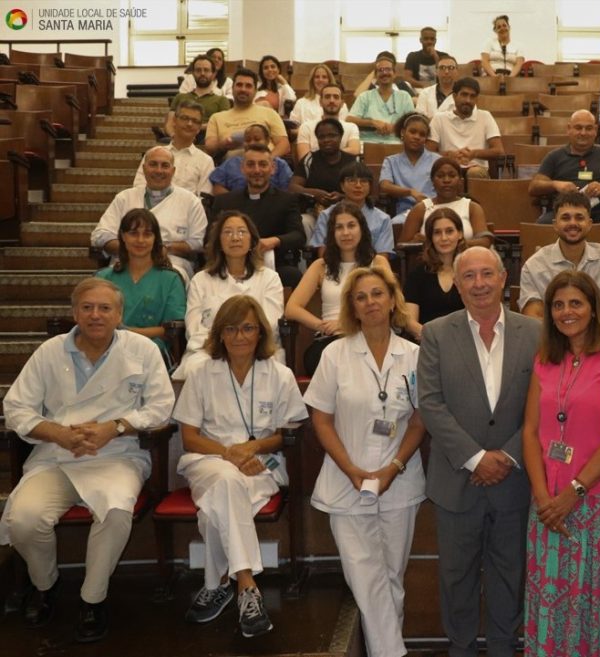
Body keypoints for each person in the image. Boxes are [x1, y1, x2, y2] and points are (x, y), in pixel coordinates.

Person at [1, 278, 174, 642]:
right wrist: (56, 433)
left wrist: (117, 426)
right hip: (57, 456)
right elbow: (16, 408)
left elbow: (161, 407)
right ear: (74, 312)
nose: (96, 315)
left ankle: (92, 599)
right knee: (23, 520)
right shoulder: (50, 352)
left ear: (119, 314)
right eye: (88, 307)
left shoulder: (142, 350)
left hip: (116, 455)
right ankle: (45, 585)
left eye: (105, 308)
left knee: (115, 512)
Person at [417, 246, 541, 657]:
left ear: (504, 279)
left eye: (487, 274)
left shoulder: (536, 333)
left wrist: (506, 456)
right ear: (456, 283)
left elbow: (546, 403)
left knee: (510, 574)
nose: (479, 284)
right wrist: (476, 458)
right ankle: (461, 648)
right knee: (456, 578)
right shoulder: (435, 333)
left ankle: (505, 647)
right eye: (469, 276)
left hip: (515, 479)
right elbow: (430, 404)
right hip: (457, 480)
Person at [304, 264, 426, 657]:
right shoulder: (334, 354)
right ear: (352, 308)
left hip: (399, 480)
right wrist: (352, 469)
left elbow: (420, 419)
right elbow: (321, 419)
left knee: (391, 578)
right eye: (361, 297)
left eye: (377, 294)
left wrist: (394, 467)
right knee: (367, 578)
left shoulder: (414, 355)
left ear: (392, 301)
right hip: (346, 480)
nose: (370, 302)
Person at [522, 269, 600, 656]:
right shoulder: (544, 360)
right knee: (553, 600)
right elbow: (530, 431)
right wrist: (543, 497)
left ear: (593, 308)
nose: (566, 312)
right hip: (550, 505)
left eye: (575, 303)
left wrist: (574, 492)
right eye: (558, 305)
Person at [172, 295, 307, 637]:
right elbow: (189, 437)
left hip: (261, 463)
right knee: (227, 481)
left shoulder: (280, 375)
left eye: (247, 328)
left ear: (260, 332)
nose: (239, 336)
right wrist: (229, 453)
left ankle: (217, 583)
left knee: (213, 510)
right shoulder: (202, 373)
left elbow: (286, 433)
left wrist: (255, 448)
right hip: (208, 461)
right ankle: (247, 585)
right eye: (231, 329)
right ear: (220, 333)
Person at [174, 211, 284, 381]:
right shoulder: (201, 280)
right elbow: (193, 326)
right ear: (218, 242)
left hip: (257, 350)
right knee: (194, 370)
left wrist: (241, 343)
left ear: (252, 241)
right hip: (209, 350)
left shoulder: (270, 278)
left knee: (270, 373)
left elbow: (270, 323)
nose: (235, 238)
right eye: (228, 232)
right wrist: (222, 344)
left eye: (241, 232)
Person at [285, 202, 390, 374]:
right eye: (339, 227)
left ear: (362, 229)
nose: (346, 233)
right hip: (330, 339)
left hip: (367, 335)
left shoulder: (378, 262)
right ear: (332, 234)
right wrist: (322, 326)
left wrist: (348, 324)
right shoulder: (320, 266)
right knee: (326, 359)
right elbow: (291, 308)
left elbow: (392, 304)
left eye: (351, 226)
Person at [92, 146, 207, 279]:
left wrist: (165, 248)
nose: (159, 170)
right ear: (144, 168)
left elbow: (197, 242)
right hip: (125, 260)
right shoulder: (124, 198)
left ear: (173, 171)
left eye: (165, 166)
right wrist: (131, 249)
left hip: (171, 262)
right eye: (153, 164)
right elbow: (100, 235)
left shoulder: (191, 201)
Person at [519, 190, 600, 320]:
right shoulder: (534, 264)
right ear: (555, 224)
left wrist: (577, 322)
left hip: (596, 332)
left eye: (579, 218)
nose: (573, 223)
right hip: (553, 332)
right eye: (565, 218)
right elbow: (533, 314)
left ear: (589, 224)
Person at [95, 208, 186, 362]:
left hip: (152, 351)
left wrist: (128, 332)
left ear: (155, 239)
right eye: (133, 233)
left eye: (147, 234)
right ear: (123, 236)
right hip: (107, 348)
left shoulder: (171, 279)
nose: (140, 240)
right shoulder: (104, 278)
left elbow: (171, 329)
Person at [210, 144, 305, 288]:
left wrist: (274, 241)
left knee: (292, 275)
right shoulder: (225, 201)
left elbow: (298, 235)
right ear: (242, 168)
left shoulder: (287, 200)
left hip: (273, 265)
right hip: (231, 265)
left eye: (262, 164)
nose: (257, 170)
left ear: (272, 168)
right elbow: (210, 238)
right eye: (250, 165)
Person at [529, 110, 600, 224]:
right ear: (569, 129)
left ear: (595, 130)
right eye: (578, 128)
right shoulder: (554, 156)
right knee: (542, 223)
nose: (583, 133)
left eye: (588, 128)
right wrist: (556, 185)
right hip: (564, 214)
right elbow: (534, 187)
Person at [289, 118, 359, 241]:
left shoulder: (352, 161)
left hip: (347, 212)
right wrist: (314, 193)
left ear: (341, 137)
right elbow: (293, 187)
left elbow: (362, 190)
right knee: (304, 221)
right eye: (322, 137)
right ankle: (311, 252)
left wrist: (342, 197)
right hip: (313, 212)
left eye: (332, 135)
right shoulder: (309, 159)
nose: (326, 140)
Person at [403, 207, 467, 341]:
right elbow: (409, 322)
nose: (444, 238)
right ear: (431, 238)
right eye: (437, 233)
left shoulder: (470, 273)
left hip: (464, 342)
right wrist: (434, 339)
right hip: (427, 342)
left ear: (460, 234)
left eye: (449, 231)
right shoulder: (417, 275)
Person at [398, 157, 492, 247]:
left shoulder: (472, 207)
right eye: (440, 176)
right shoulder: (420, 209)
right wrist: (416, 242)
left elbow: (485, 241)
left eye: (452, 176)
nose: (446, 180)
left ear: (460, 181)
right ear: (432, 181)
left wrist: (451, 244)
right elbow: (402, 246)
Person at [309, 161, 396, 258]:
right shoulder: (326, 215)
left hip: (370, 266)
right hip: (335, 265)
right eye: (351, 180)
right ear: (342, 186)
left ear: (370, 186)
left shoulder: (383, 219)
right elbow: (323, 255)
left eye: (364, 181)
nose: (358, 185)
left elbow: (382, 258)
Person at [427, 77, 504, 178]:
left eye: (472, 96)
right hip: (447, 168)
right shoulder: (439, 118)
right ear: (454, 96)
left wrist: (474, 154)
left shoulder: (485, 116)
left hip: (476, 169)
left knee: (474, 173)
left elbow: (499, 151)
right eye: (464, 95)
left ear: (477, 99)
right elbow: (428, 153)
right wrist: (448, 156)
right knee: (447, 173)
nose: (468, 100)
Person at [204, 68, 289, 160]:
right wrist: (223, 144)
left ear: (255, 91)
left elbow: (284, 144)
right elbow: (209, 147)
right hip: (231, 166)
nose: (243, 89)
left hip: (265, 165)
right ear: (232, 88)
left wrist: (266, 160)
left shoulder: (269, 113)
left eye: (248, 86)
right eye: (239, 85)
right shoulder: (216, 117)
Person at [380, 112, 441, 223]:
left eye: (422, 134)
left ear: (426, 138)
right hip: (405, 213)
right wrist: (410, 192)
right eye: (412, 132)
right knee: (395, 223)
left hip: (434, 211)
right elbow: (385, 185)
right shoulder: (391, 161)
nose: (417, 137)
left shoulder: (437, 160)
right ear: (403, 132)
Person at [146, 101, 215, 195]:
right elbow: (139, 188)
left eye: (195, 121)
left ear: (199, 128)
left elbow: (204, 197)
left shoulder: (206, 161)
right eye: (185, 118)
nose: (189, 124)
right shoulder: (153, 154)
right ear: (174, 121)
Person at [346, 53, 416, 144]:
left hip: (396, 143)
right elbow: (349, 119)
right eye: (380, 70)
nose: (384, 73)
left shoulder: (404, 96)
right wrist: (372, 122)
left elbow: (412, 122)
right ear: (375, 75)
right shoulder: (365, 96)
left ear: (394, 74)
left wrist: (395, 128)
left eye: (388, 69)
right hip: (368, 143)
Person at [210, 123, 294, 195]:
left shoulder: (280, 164)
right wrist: (236, 201)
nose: (252, 143)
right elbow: (217, 188)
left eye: (257, 139)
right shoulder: (231, 163)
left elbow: (288, 190)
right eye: (248, 140)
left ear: (267, 140)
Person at [166, 55, 231, 136]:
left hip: (207, 137)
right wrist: (174, 137)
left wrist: (193, 128)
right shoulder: (180, 97)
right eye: (198, 70)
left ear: (213, 74)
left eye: (206, 70)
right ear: (193, 73)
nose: (202, 73)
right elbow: (170, 123)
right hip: (179, 137)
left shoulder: (222, 100)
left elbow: (222, 124)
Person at [295, 83, 359, 161]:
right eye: (327, 97)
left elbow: (355, 150)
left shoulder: (351, 127)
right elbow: (304, 157)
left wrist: (325, 154)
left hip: (344, 168)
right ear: (320, 102)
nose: (332, 100)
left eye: (336, 97)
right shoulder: (306, 127)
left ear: (342, 103)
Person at [415, 54, 458, 119]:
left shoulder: (463, 94)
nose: (446, 71)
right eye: (442, 68)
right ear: (436, 72)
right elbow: (420, 120)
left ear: (457, 72)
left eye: (451, 68)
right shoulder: (425, 93)